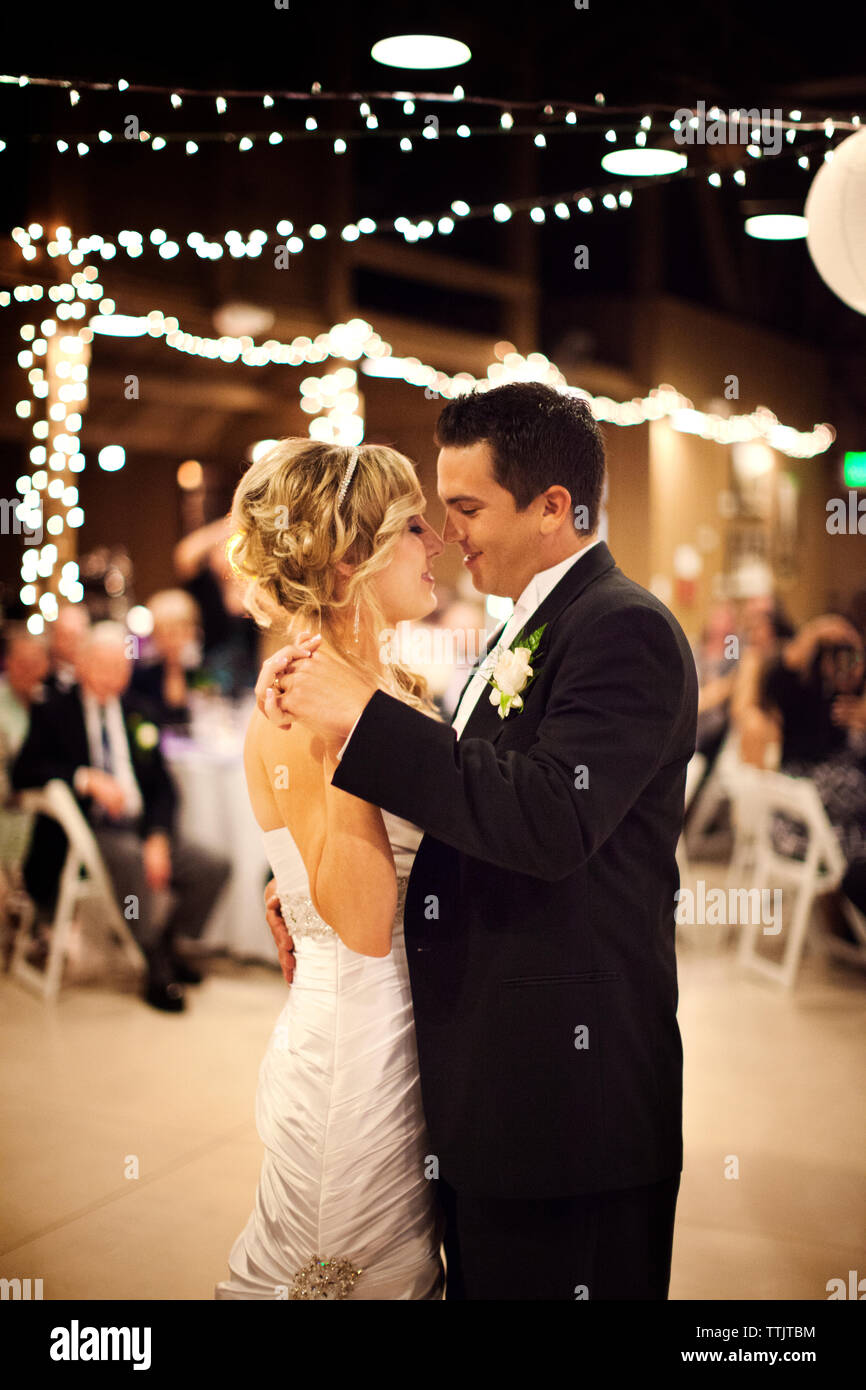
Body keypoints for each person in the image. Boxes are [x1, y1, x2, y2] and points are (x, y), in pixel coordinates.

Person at [258, 381, 698, 1300]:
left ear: (551, 508)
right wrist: (304, 887)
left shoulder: (624, 629)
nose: (450, 535)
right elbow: (472, 812)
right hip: (487, 1101)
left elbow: (550, 818)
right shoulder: (523, 628)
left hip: (570, 1116)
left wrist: (363, 719)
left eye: (464, 509)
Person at [215, 439, 447, 1301]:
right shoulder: (310, 705)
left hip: (400, 1030)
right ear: (354, 559)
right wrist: (357, 735)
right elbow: (357, 922)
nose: (438, 541)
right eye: (413, 525)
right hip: (357, 1048)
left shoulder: (361, 687)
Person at [12, 622, 230, 1011]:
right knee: (132, 876)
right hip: (91, 829)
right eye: (105, 665)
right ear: (83, 664)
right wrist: (83, 778)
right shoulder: (55, 711)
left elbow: (163, 786)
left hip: (142, 826)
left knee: (212, 867)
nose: (116, 675)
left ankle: (168, 943)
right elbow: (24, 771)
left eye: (122, 665)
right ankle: (150, 960)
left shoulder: (138, 711)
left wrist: (159, 836)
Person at [130, 589, 202, 728]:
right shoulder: (142, 676)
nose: (176, 640)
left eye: (184, 630)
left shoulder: (197, 671)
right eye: (168, 632)